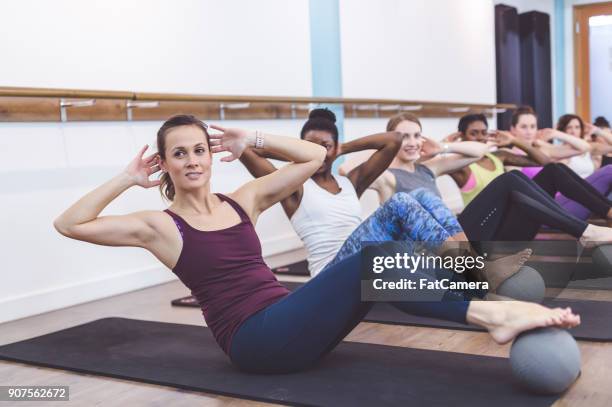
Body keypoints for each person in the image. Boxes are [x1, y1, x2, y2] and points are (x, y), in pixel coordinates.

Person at [54, 114, 579, 373]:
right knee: (373, 263)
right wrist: (127, 178)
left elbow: (311, 157)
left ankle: (489, 300)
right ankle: (494, 316)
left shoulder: (244, 199)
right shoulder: (160, 226)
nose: (193, 161)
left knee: (390, 252)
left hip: (293, 318)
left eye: (200, 150)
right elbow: (70, 224)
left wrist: (251, 139)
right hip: (255, 342)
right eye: (180, 154)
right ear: (164, 164)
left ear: (211, 157)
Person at [239, 109, 530, 288]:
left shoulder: (349, 182)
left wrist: (341, 148)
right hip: (330, 275)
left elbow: (392, 141)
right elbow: (248, 150)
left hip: (364, 259)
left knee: (419, 195)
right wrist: (302, 151)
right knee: (401, 203)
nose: (320, 152)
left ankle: (475, 267)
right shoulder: (293, 187)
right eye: (311, 146)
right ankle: (479, 272)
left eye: (326, 145)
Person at [341, 113, 612, 248]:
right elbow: (345, 170)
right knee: (511, 180)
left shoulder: (430, 169)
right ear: (391, 140)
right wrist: (384, 148)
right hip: (442, 252)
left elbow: (481, 151)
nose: (411, 142)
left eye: (416, 136)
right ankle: (584, 232)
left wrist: (443, 148)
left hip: (470, 239)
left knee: (554, 172)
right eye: (403, 137)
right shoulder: (387, 177)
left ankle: (605, 216)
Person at [453, 112, 612, 221]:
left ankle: (608, 211)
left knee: (555, 169)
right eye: (474, 133)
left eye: (483, 132)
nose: (480, 137)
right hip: (502, 217)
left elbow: (545, 163)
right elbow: (432, 165)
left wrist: (515, 141)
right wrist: (447, 146)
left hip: (532, 207)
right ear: (461, 135)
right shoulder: (460, 167)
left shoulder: (498, 157)